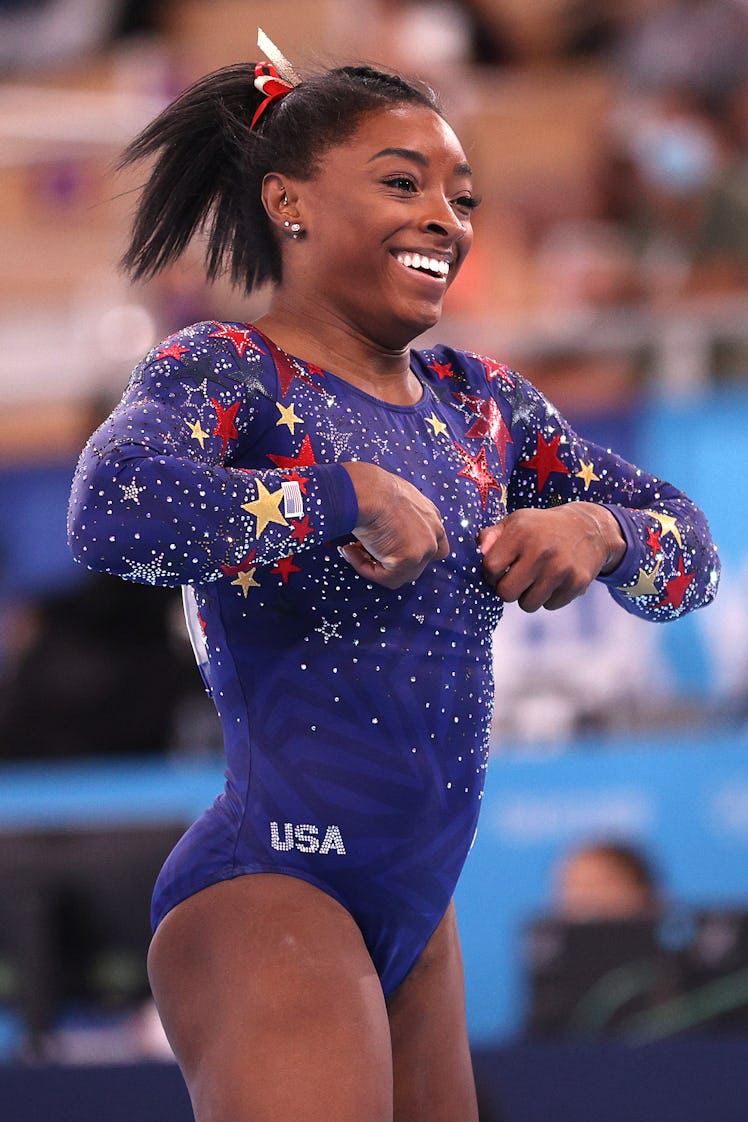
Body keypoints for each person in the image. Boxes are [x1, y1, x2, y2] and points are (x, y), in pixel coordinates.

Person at [67, 33, 720, 1122]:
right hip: (270, 887)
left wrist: (600, 529)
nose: (445, 220)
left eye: (461, 198)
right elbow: (112, 511)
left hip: (419, 916)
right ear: (289, 202)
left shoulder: (483, 407)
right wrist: (340, 495)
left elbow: (690, 556)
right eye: (403, 183)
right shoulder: (233, 373)